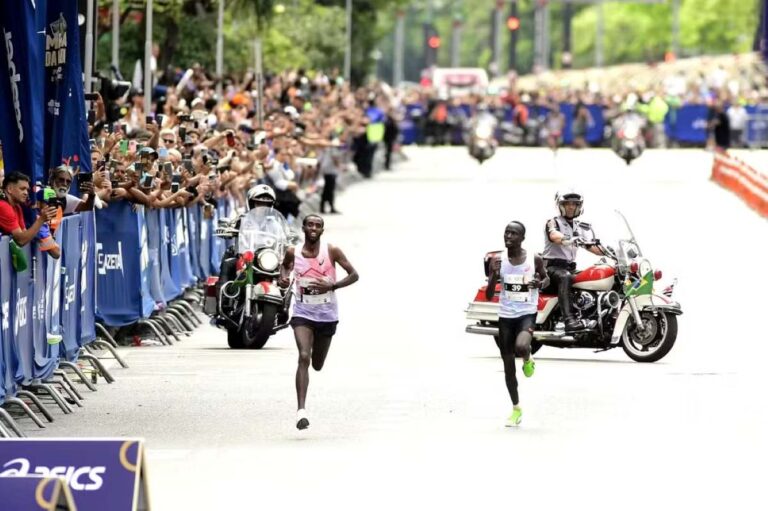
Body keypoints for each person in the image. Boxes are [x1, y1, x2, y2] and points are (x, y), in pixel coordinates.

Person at [279, 214, 359, 430]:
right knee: (304, 356)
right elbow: (284, 268)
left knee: (317, 363)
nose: (314, 228)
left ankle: (316, 360)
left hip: (327, 315)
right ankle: (301, 411)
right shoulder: (293, 252)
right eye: (310, 225)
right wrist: (284, 277)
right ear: (303, 228)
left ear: (322, 230)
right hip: (303, 312)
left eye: (318, 225)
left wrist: (332, 286)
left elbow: (354, 275)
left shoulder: (331, 250)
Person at [486, 221, 548, 427]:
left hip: (526, 314)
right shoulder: (497, 260)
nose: (508, 237)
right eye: (506, 233)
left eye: (513, 234)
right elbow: (488, 295)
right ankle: (516, 408)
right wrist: (493, 276)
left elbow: (546, 280)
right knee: (508, 369)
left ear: (522, 238)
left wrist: (539, 283)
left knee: (521, 346)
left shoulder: (534, 259)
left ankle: (528, 359)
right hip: (505, 317)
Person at [542, 189, 602, 332]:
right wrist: (565, 239)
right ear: (560, 205)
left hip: (569, 267)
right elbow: (554, 235)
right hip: (551, 269)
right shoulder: (553, 222)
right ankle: (569, 320)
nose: (570, 207)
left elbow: (591, 246)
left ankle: (592, 317)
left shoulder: (579, 226)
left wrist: (611, 252)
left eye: (574, 204)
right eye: (567, 203)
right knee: (565, 277)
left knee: (592, 276)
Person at [0, 172, 57, 246]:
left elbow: (24, 234)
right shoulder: (3, 206)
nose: (26, 193)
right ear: (9, 189)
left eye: (27, 190)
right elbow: (21, 241)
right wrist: (41, 219)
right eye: (22, 189)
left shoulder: (17, 207)